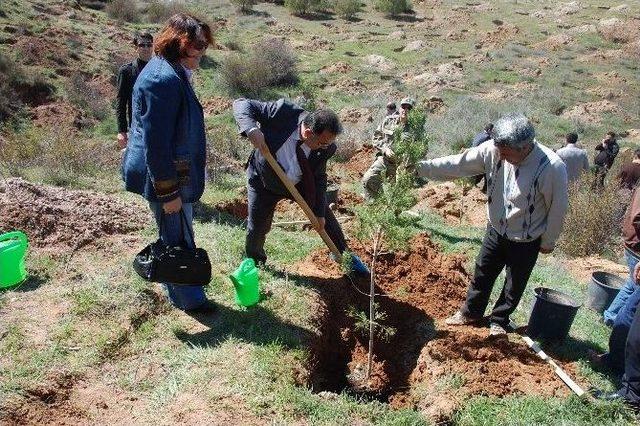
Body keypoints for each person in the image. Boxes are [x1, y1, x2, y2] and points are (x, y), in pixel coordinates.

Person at [417, 113, 569, 336]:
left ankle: (499, 319)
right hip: (496, 229)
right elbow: (457, 165)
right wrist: (420, 167)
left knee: (514, 284)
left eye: (507, 154)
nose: (503, 158)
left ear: (525, 147)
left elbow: (558, 208)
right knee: (483, 272)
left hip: (526, 239)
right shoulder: (493, 150)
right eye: (501, 152)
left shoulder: (551, 167)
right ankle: (471, 313)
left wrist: (549, 241)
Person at [122, 14, 213, 312]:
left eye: (202, 47)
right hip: (165, 177)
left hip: (172, 172)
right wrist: (169, 193)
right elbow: (156, 145)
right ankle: (190, 301)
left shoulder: (170, 70)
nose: (201, 54)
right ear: (178, 44)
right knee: (179, 239)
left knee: (176, 232)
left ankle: (178, 290)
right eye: (196, 47)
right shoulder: (162, 79)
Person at [232, 97, 369, 274]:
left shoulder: (326, 147)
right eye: (322, 142)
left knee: (325, 219)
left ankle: (345, 256)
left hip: (300, 182)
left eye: (328, 143)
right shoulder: (283, 112)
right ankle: (255, 262)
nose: (326, 147)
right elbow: (241, 104)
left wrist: (318, 212)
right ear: (308, 133)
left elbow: (319, 177)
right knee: (258, 225)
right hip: (264, 179)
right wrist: (251, 128)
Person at [590, 188, 640, 373]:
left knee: (629, 313)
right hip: (636, 247)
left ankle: (616, 362)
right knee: (631, 296)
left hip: (636, 248)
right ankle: (615, 358)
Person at [361, 97, 415, 200]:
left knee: (399, 196)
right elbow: (376, 137)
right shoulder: (388, 121)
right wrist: (385, 149)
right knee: (368, 179)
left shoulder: (415, 128)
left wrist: (406, 164)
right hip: (386, 160)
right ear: (399, 108)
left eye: (409, 108)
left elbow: (420, 149)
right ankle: (376, 205)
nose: (406, 110)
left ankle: (395, 212)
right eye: (403, 106)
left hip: (404, 166)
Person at [116, 32, 153, 150]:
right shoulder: (126, 71)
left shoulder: (160, 69)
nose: (146, 48)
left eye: (149, 45)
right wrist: (122, 131)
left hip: (158, 127)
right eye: (142, 45)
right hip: (137, 128)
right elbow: (121, 103)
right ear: (136, 47)